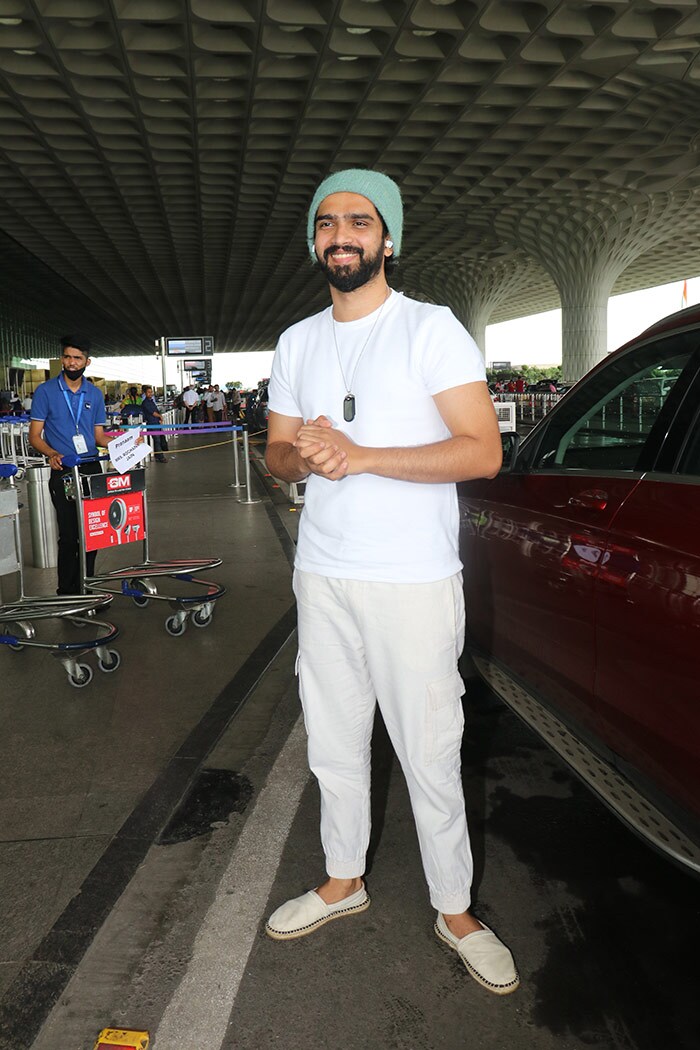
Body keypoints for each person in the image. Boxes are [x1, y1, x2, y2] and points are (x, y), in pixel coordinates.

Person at [264, 168, 519, 994]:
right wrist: (298, 453)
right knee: (334, 742)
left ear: (388, 238)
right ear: (314, 241)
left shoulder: (430, 329)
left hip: (412, 580)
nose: (343, 234)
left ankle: (455, 909)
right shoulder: (298, 342)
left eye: (360, 221)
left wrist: (364, 455)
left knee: (429, 748)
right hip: (324, 575)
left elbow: (482, 449)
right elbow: (274, 457)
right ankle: (343, 879)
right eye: (328, 222)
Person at [28, 335, 110, 595]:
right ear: (62, 359)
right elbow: (34, 436)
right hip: (62, 469)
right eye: (67, 357)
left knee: (93, 531)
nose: (71, 362)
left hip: (89, 469)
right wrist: (51, 453)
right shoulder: (46, 391)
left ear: (87, 361)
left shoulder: (95, 394)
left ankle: (88, 586)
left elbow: (99, 437)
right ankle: (67, 591)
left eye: (77, 358)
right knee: (69, 534)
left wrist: (127, 444)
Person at [141, 385, 167, 463]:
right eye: (148, 392)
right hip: (152, 423)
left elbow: (156, 410)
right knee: (157, 440)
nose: (150, 393)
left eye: (151, 392)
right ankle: (160, 457)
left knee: (159, 439)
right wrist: (160, 416)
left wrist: (159, 418)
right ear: (145, 393)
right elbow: (153, 412)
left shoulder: (151, 401)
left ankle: (157, 455)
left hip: (156, 422)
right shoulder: (145, 403)